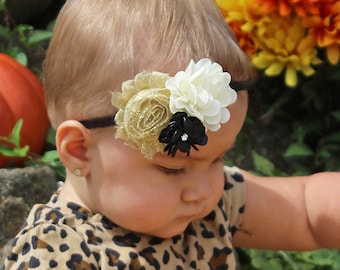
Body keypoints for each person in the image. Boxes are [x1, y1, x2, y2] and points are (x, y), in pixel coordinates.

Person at [3, 0, 340, 269]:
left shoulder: (209, 203)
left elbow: (308, 211)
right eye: (173, 168)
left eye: (219, 158)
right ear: (80, 151)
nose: (206, 189)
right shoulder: (55, 255)